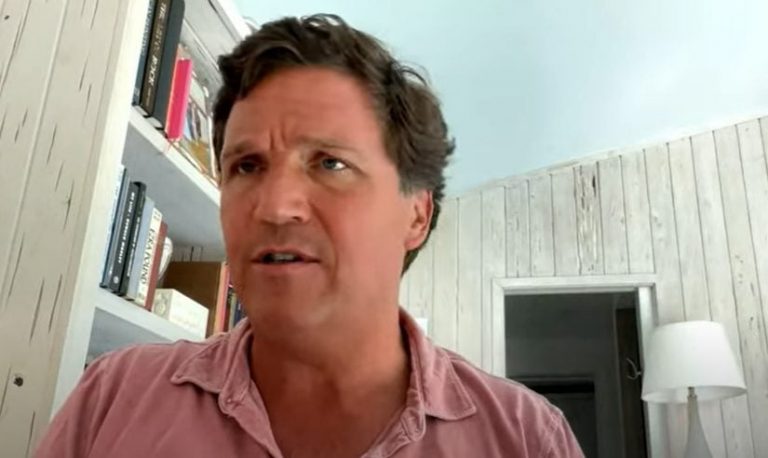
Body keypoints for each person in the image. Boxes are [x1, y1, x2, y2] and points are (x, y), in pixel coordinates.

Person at [35, 14, 583, 458]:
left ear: (416, 216)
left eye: (330, 163)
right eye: (247, 166)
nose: (275, 206)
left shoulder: (525, 439)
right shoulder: (112, 401)